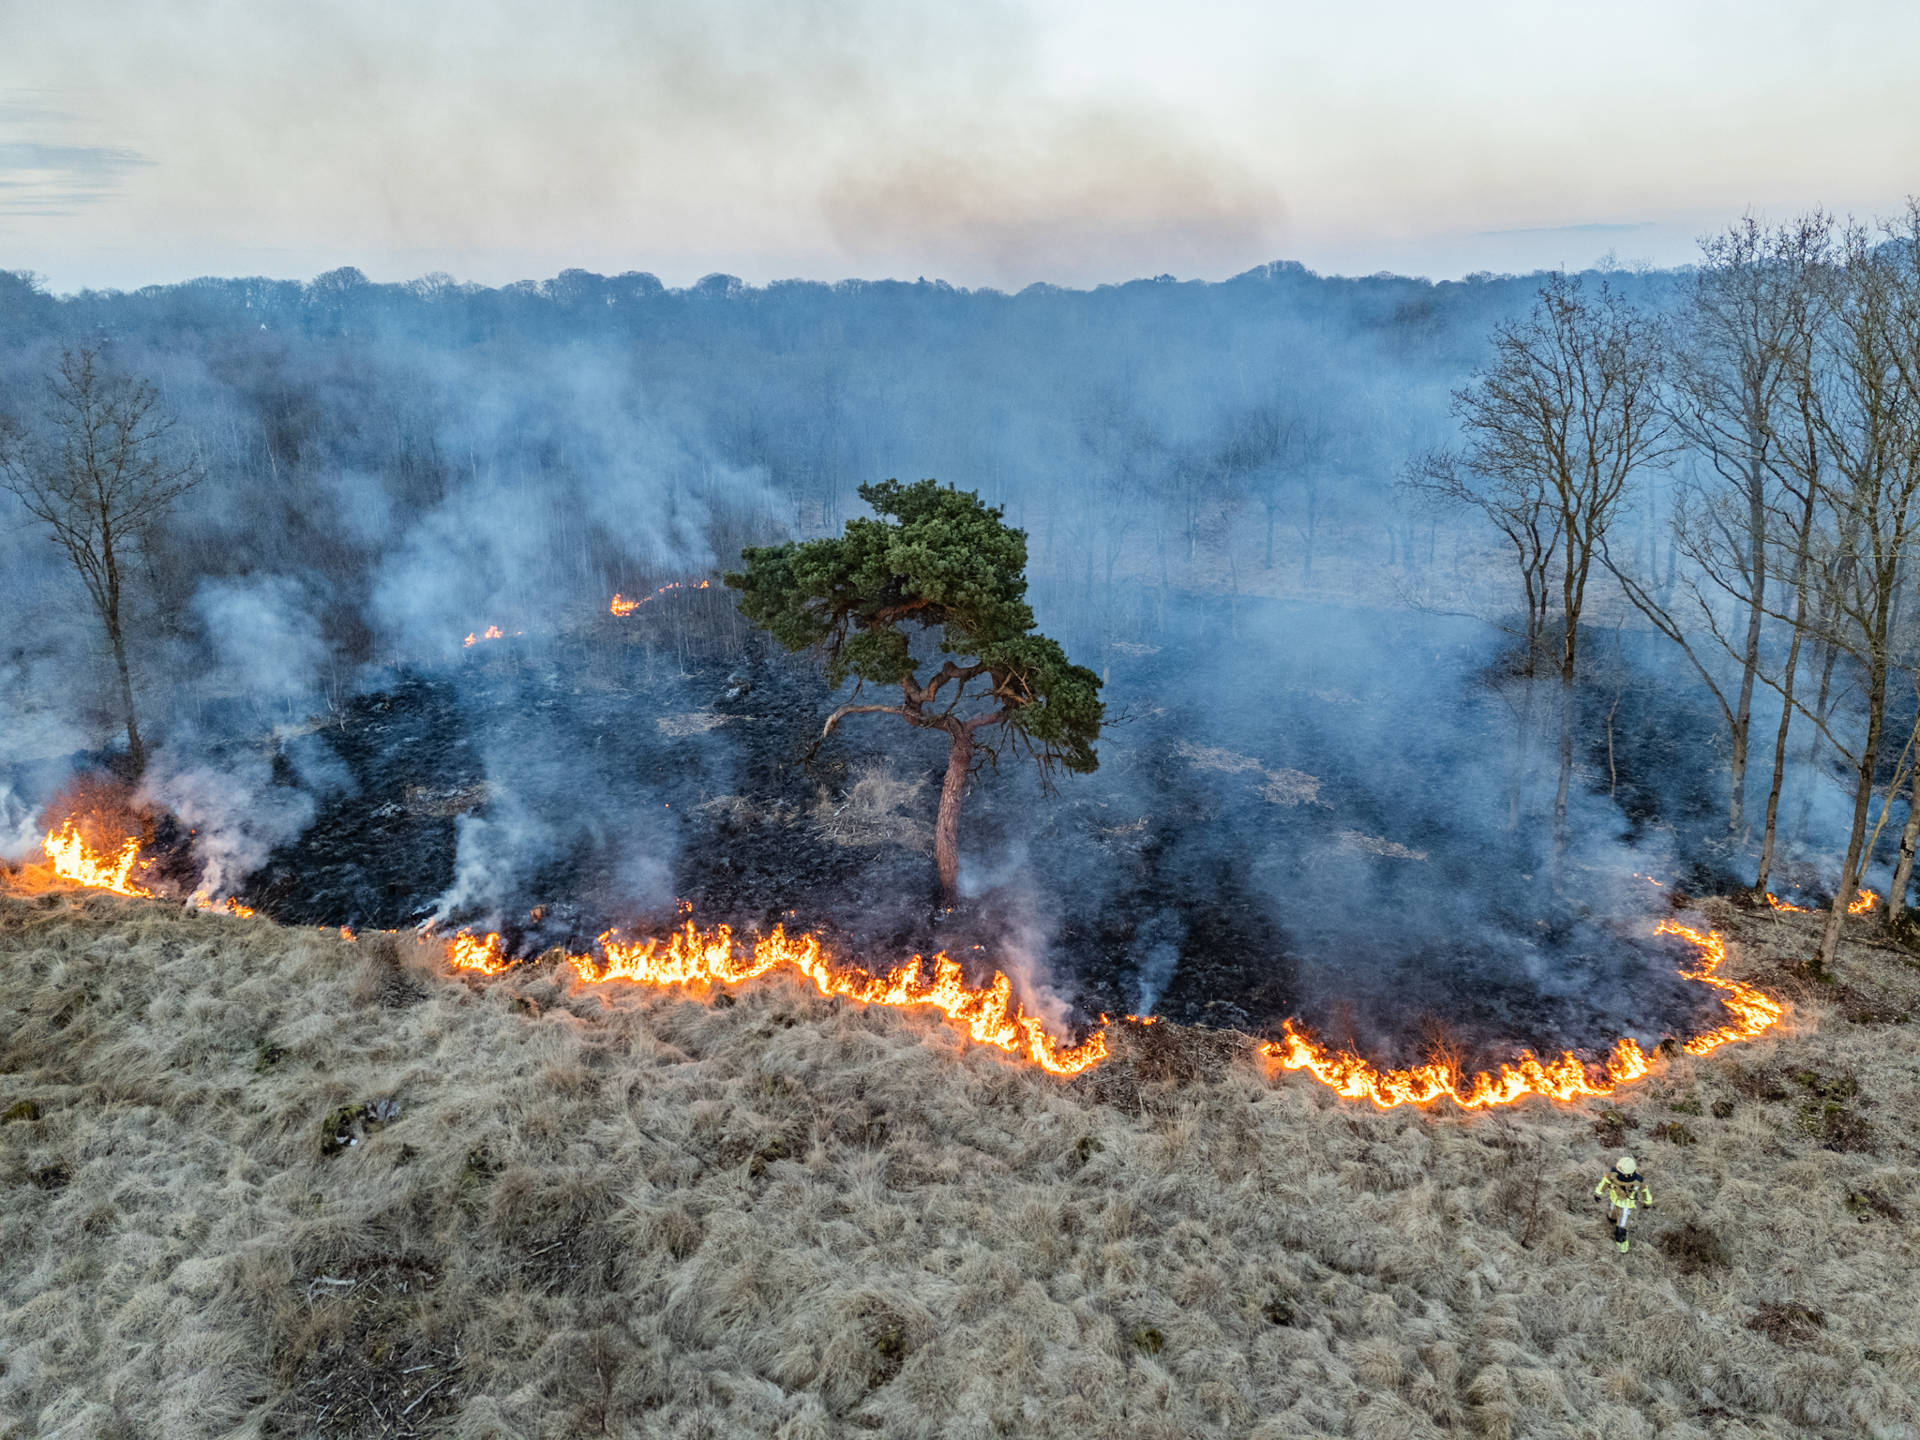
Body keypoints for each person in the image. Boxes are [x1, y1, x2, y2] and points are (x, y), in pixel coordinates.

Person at [1595, 1154, 1652, 1253]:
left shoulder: (1638, 1182)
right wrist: (1598, 1193)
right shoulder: (1612, 1175)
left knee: (1621, 1228)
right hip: (1614, 1200)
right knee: (1611, 1215)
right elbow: (1604, 1182)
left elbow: (1645, 1192)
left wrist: (1647, 1202)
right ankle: (1612, 1221)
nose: (1618, 1174)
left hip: (1626, 1206)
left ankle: (1622, 1247)